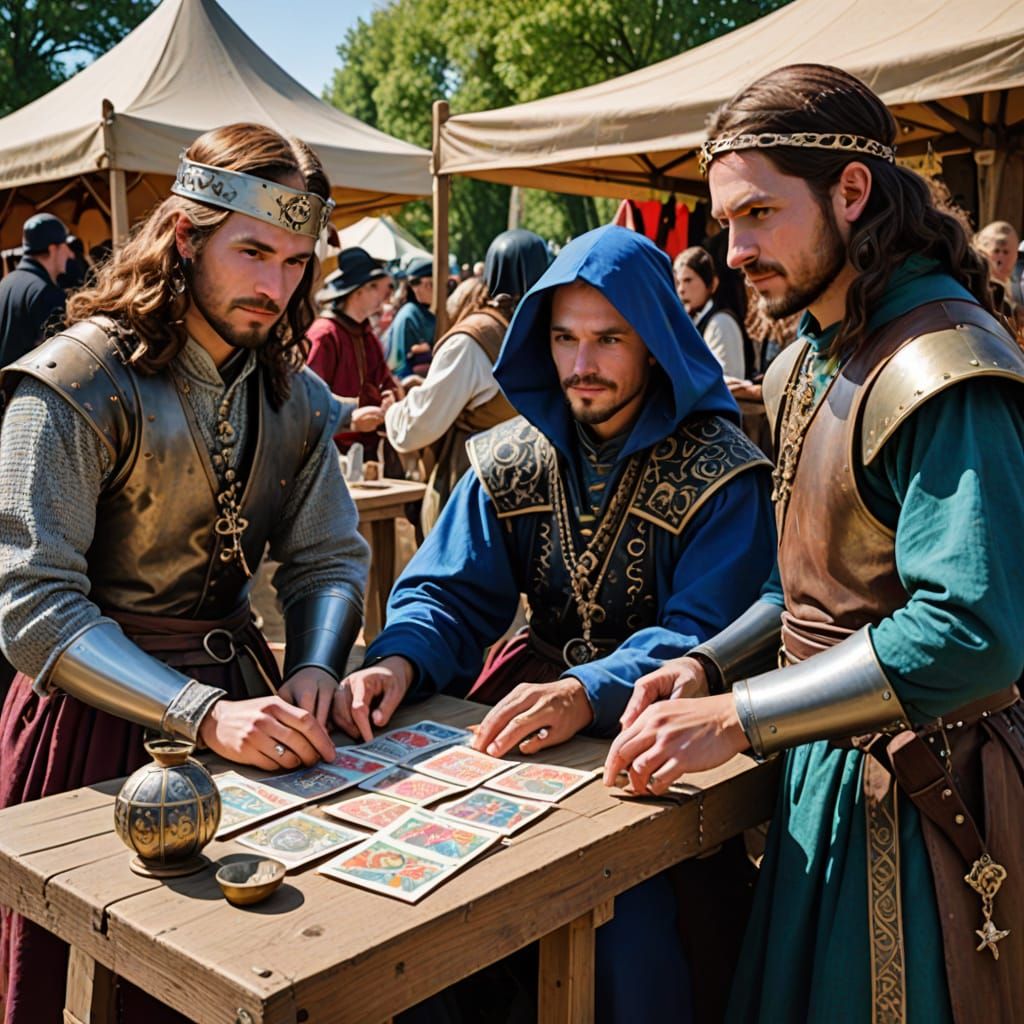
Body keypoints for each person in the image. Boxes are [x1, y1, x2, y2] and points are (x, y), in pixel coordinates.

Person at [605, 63, 1024, 1024]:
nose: (737, 250)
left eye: (760, 214)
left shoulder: (941, 366)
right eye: (727, 222)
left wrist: (740, 715)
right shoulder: (803, 363)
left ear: (852, 191)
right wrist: (709, 669)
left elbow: (973, 631)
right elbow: (802, 587)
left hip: (924, 798)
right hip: (818, 772)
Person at [336, 225, 777, 1022]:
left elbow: (705, 631)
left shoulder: (723, 470)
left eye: (609, 339)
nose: (582, 363)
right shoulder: (511, 455)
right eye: (565, 338)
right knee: (427, 907)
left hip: (665, 736)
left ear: (654, 344)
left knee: (628, 934)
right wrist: (398, 659)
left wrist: (586, 690)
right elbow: (447, 593)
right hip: (523, 707)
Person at [0, 123, 369, 1024]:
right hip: (91, 726)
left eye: (295, 262)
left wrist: (315, 665)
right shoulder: (77, 380)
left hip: (250, 710)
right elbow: (33, 606)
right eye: (253, 252)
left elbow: (327, 555)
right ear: (184, 235)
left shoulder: (294, 395)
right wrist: (202, 714)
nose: (276, 286)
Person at [385, 229, 549, 533]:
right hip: (536, 495)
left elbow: (417, 427)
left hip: (475, 494)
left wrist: (392, 412)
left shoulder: (473, 341)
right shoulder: (553, 335)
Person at [306, 246, 403, 459]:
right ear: (357, 292)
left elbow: (384, 381)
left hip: (369, 450)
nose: (382, 294)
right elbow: (310, 399)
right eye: (374, 286)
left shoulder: (367, 336)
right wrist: (349, 417)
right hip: (330, 453)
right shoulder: (324, 335)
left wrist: (389, 398)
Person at [0, 213, 73, 366]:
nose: (70, 254)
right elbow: (61, 360)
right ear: (53, 249)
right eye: (65, 245)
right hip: (25, 381)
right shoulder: (46, 293)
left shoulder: (5, 283)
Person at [674, 245, 747, 378]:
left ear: (712, 284)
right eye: (678, 283)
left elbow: (727, 380)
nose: (681, 289)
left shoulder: (721, 323)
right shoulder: (689, 322)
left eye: (688, 280)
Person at [385, 256, 435, 378]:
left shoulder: (425, 312)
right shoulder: (410, 315)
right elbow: (403, 365)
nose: (415, 289)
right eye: (413, 283)